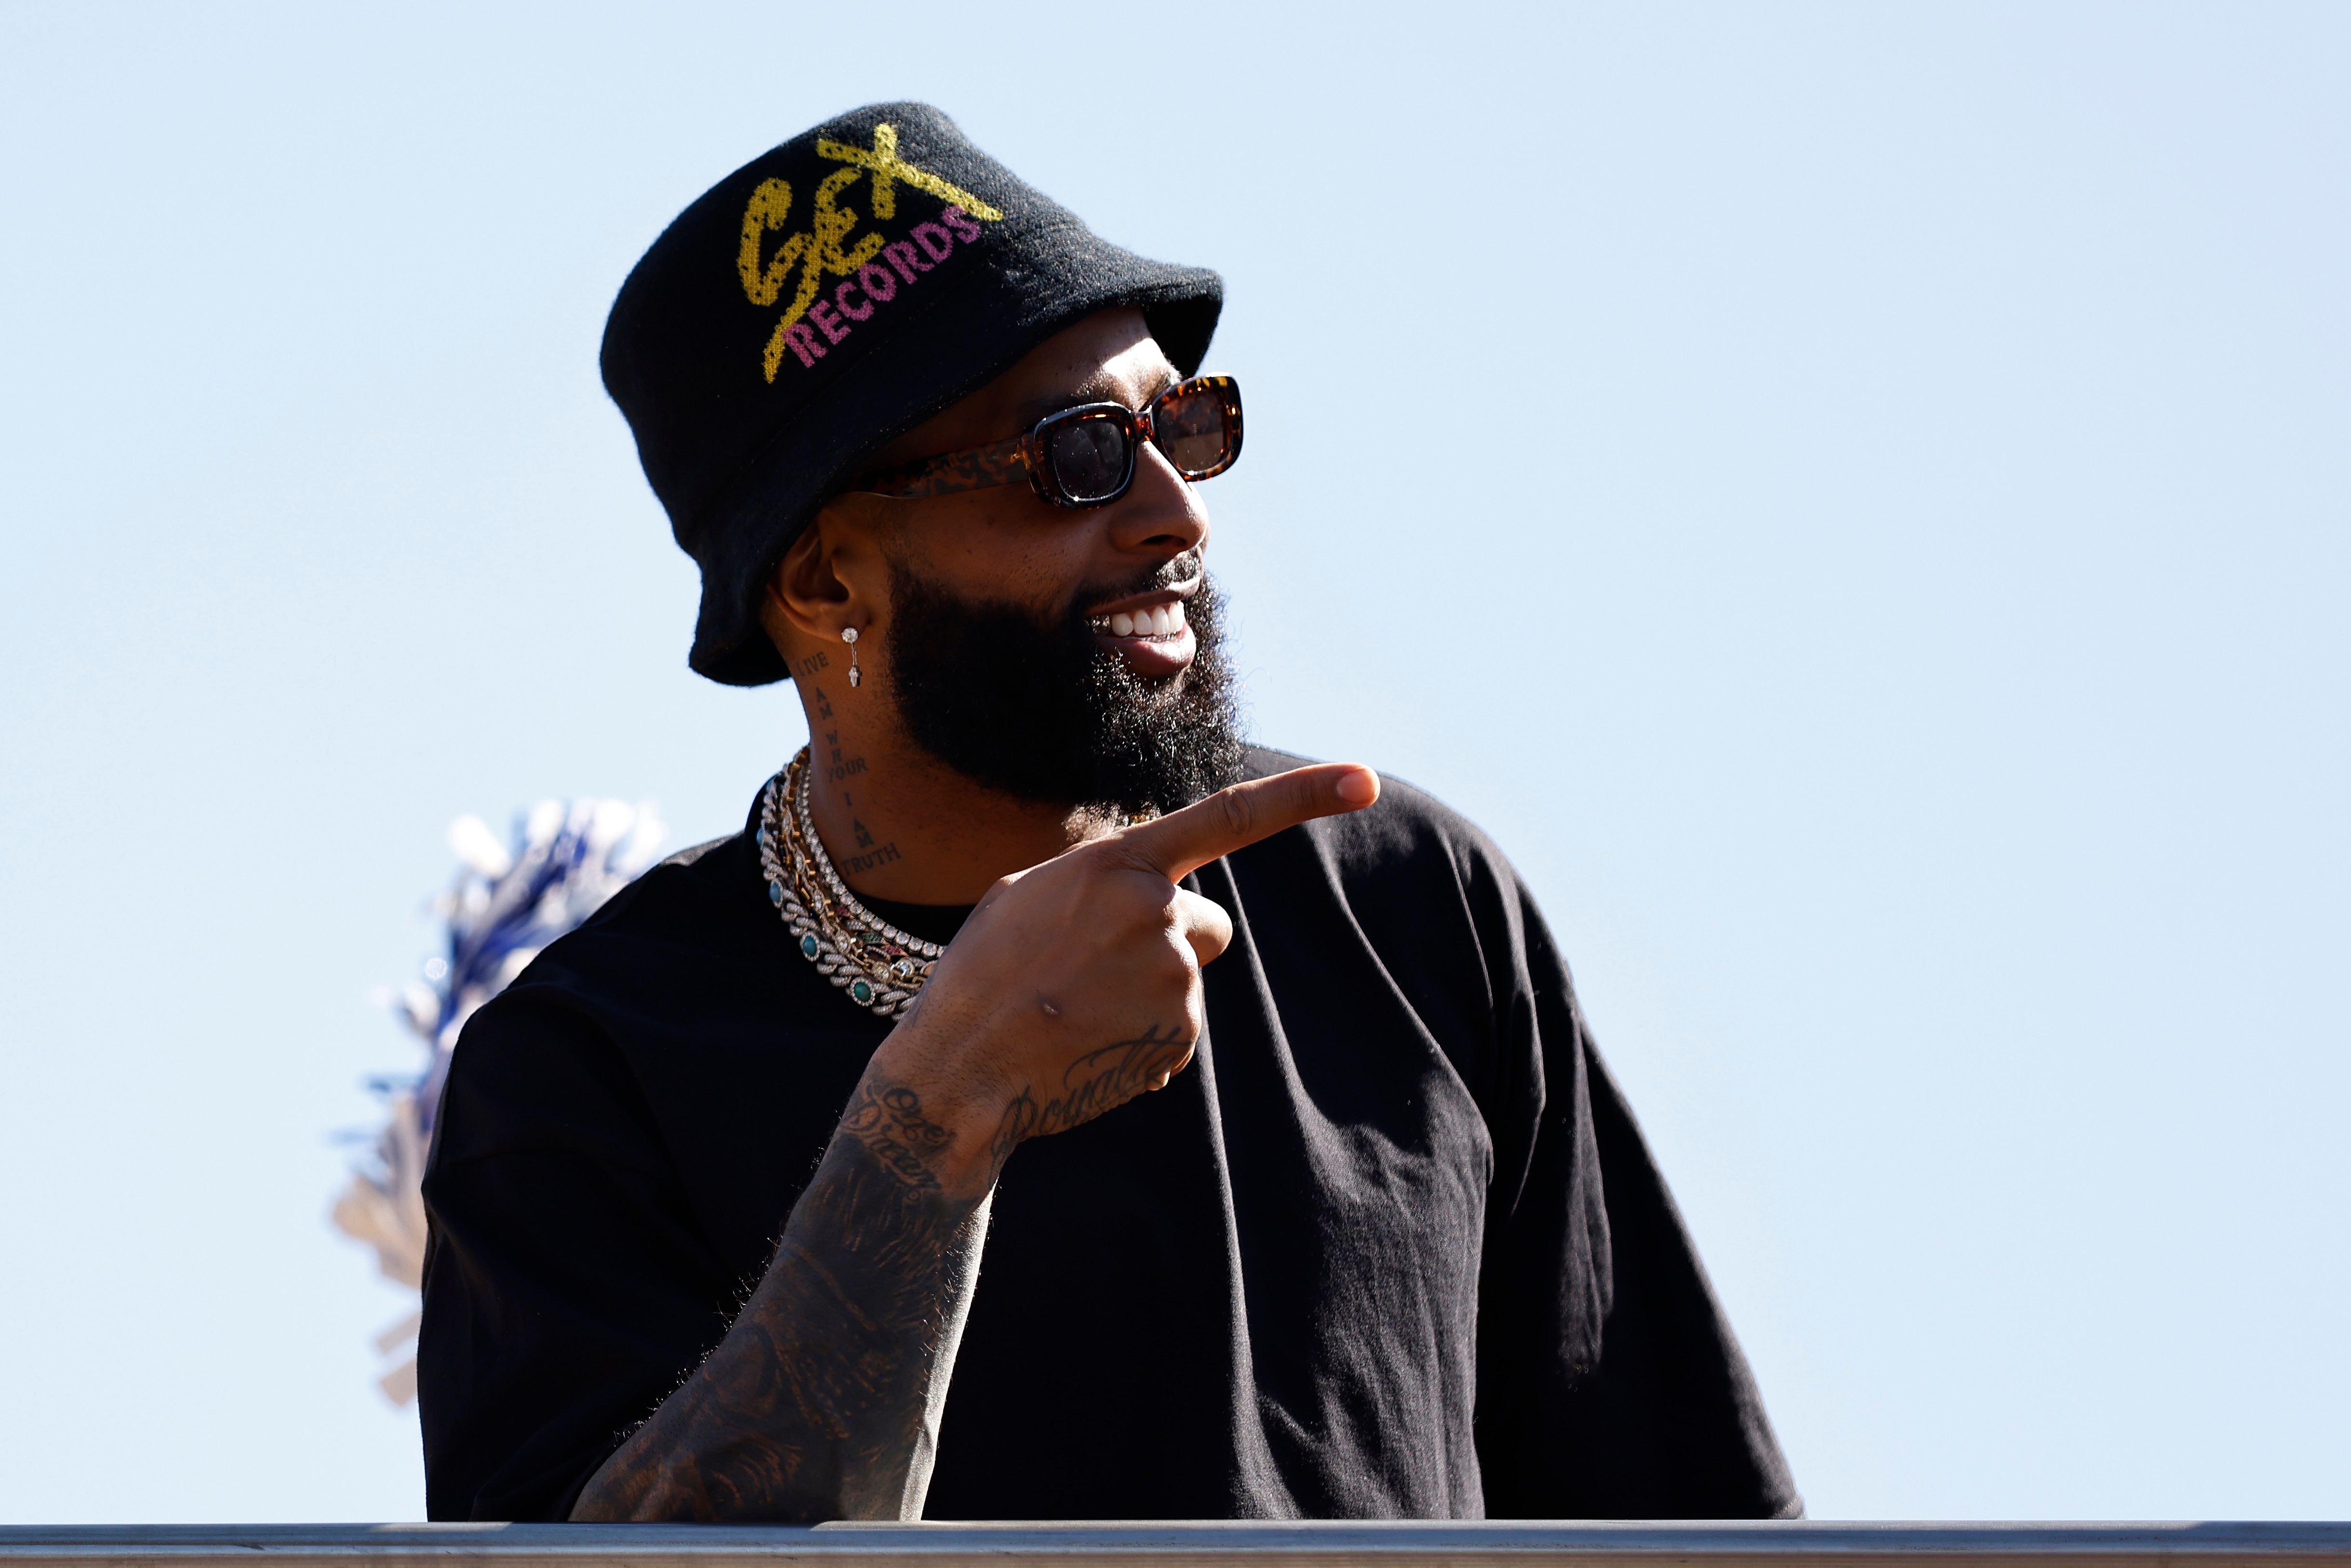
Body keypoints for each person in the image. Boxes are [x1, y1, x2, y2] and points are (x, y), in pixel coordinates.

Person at [416, 102, 1802, 1525]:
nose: (1175, 514)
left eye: (1183, 428)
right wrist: (937, 1111)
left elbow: (1692, 1532)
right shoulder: (597, 1061)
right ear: (829, 582)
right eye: (1077, 455)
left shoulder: (1406, 900)